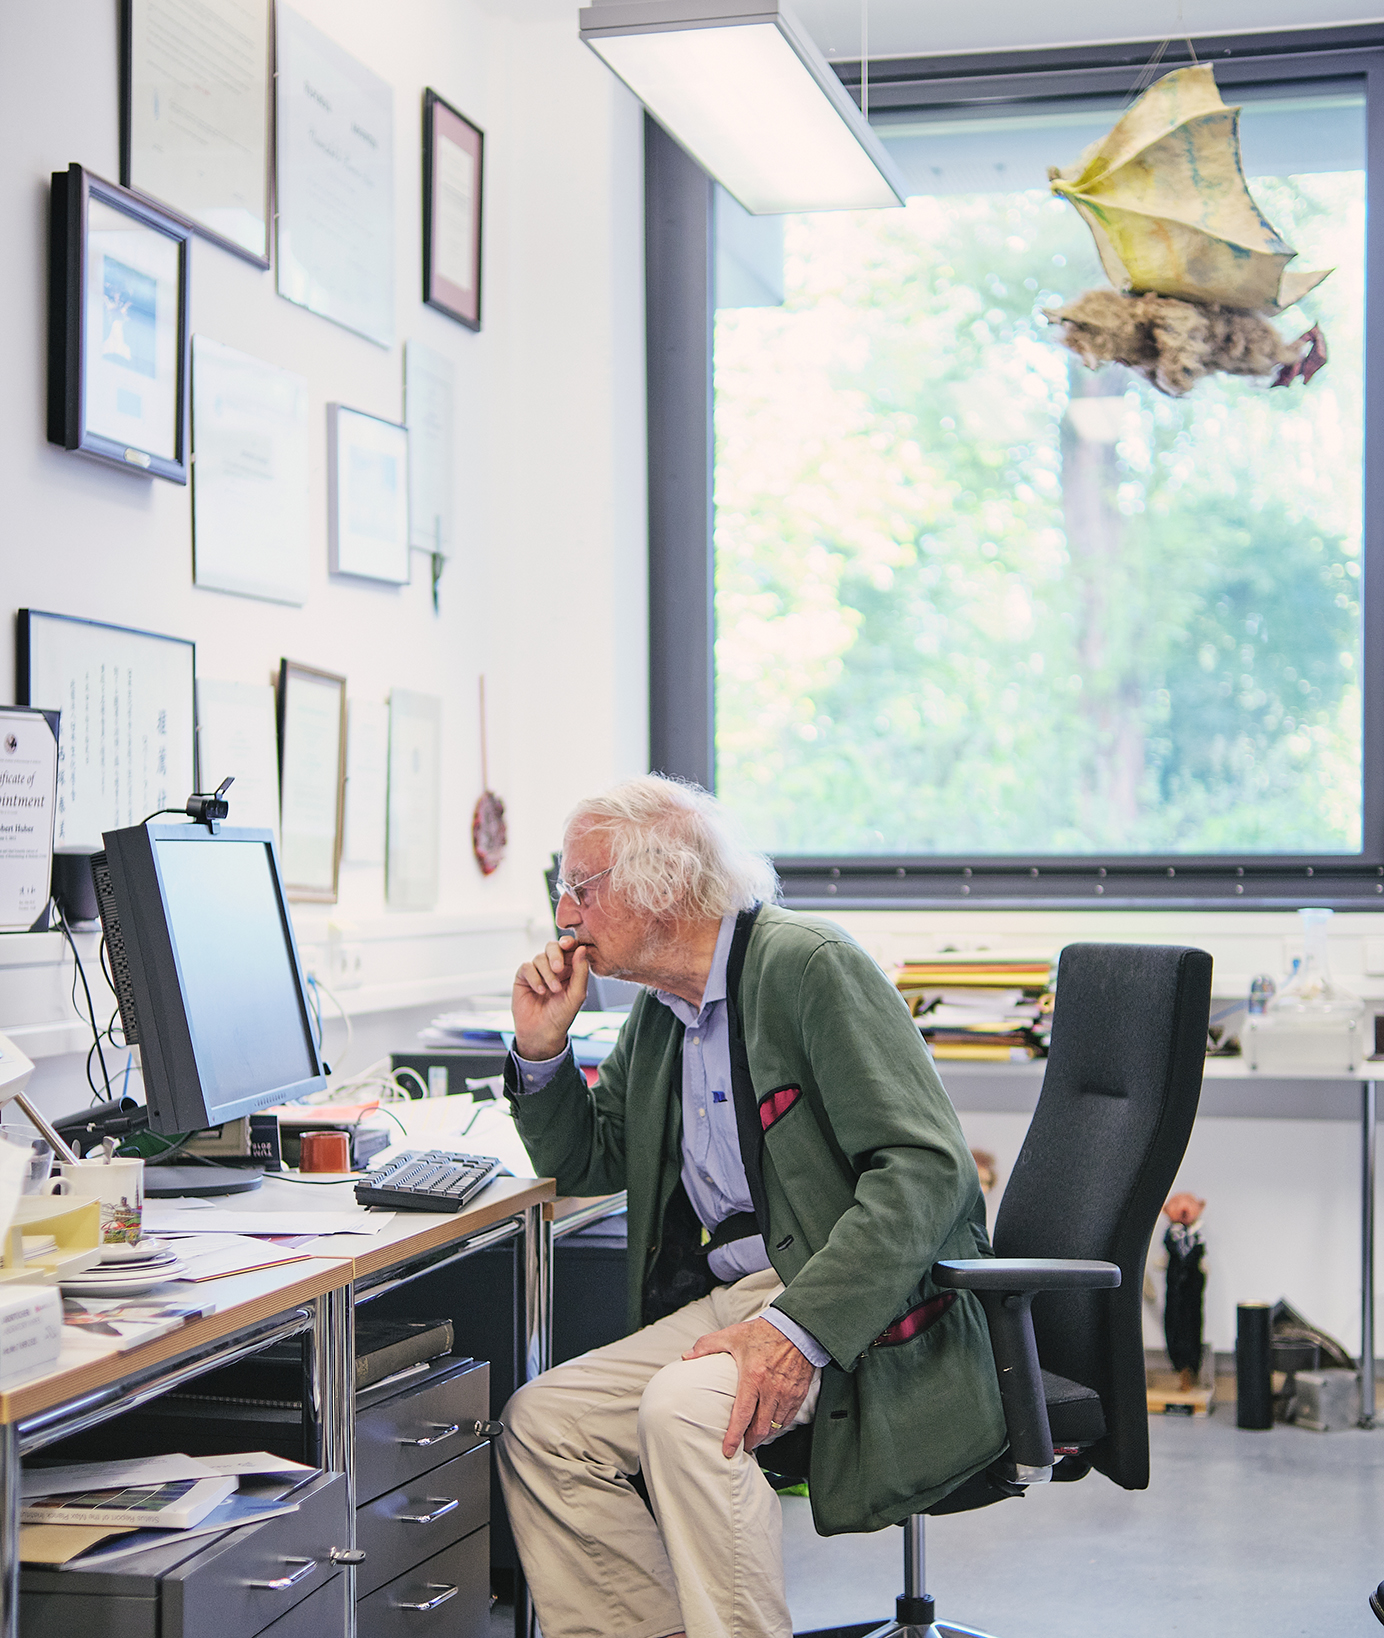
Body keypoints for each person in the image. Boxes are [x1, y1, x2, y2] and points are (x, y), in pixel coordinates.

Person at [497, 776, 1005, 1638]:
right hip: (742, 1295)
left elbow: (926, 1171)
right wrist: (540, 1054)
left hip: (849, 1296)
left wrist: (794, 1332)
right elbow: (595, 1158)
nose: (564, 913)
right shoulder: (661, 1013)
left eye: (581, 887)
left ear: (663, 885)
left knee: (686, 1412)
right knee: (544, 1425)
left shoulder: (809, 967)